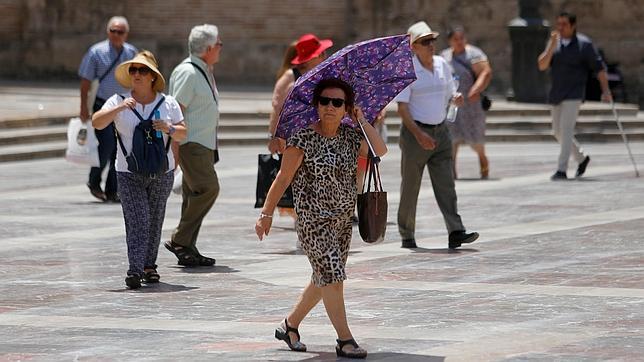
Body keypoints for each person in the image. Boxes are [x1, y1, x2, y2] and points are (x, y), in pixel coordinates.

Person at [255, 78, 387, 359]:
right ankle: (345, 339)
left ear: (346, 108)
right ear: (316, 105)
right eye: (324, 101)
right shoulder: (303, 138)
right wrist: (266, 213)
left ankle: (289, 325)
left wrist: (361, 120)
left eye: (337, 102)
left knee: (323, 279)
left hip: (342, 222)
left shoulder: (351, 137)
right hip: (314, 223)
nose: (330, 107)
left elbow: (380, 150)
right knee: (333, 277)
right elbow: (283, 178)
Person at [92, 51, 187, 289]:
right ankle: (134, 269)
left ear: (153, 76)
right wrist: (118, 109)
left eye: (142, 70)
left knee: (154, 221)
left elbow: (185, 133)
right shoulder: (118, 100)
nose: (136, 74)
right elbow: (97, 121)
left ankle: (149, 266)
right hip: (128, 172)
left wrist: (170, 128)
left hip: (161, 172)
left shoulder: (168, 103)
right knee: (138, 220)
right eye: (133, 70)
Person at [395, 21, 479, 250]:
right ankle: (407, 234)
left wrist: (456, 98)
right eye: (425, 41)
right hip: (415, 134)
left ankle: (456, 231)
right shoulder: (407, 71)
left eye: (432, 40)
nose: (431, 45)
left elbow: (452, 91)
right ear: (413, 46)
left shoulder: (442, 64)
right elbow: (402, 109)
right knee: (410, 187)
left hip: (441, 132)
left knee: (447, 185)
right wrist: (419, 134)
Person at [164, 24, 222, 267]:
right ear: (208, 48)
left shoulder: (202, 70)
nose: (220, 49)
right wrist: (174, 150)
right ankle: (180, 238)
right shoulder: (188, 73)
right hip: (191, 143)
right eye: (219, 45)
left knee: (193, 194)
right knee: (209, 188)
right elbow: (176, 112)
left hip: (203, 143)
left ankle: (188, 247)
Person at [538, 11, 612, 180]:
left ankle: (561, 169)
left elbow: (599, 68)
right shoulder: (553, 43)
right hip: (556, 93)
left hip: (574, 94)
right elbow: (542, 65)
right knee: (557, 132)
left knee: (566, 130)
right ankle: (582, 158)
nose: (561, 28)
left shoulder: (584, 45)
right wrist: (550, 46)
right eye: (559, 24)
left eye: (564, 24)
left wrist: (606, 90)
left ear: (573, 26)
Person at [78, 16, 138, 202]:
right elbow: (86, 81)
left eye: (120, 32)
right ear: (107, 32)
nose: (116, 35)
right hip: (104, 104)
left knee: (120, 148)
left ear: (126, 34)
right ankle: (94, 181)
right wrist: (83, 107)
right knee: (106, 146)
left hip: (125, 105)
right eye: (113, 31)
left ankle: (113, 190)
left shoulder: (131, 52)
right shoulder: (96, 52)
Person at [440, 26, 493, 179]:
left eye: (461, 38)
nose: (459, 42)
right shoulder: (444, 57)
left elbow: (486, 72)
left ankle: (483, 162)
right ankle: (452, 173)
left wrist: (476, 90)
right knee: (451, 140)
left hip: (472, 104)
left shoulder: (474, 54)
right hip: (453, 105)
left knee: (476, 140)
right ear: (450, 40)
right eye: (455, 39)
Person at [267, 33, 333, 154]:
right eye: (321, 53)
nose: (325, 56)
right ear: (309, 58)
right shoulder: (290, 76)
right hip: (293, 138)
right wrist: (274, 137)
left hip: (316, 137)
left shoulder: (321, 76)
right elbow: (277, 108)